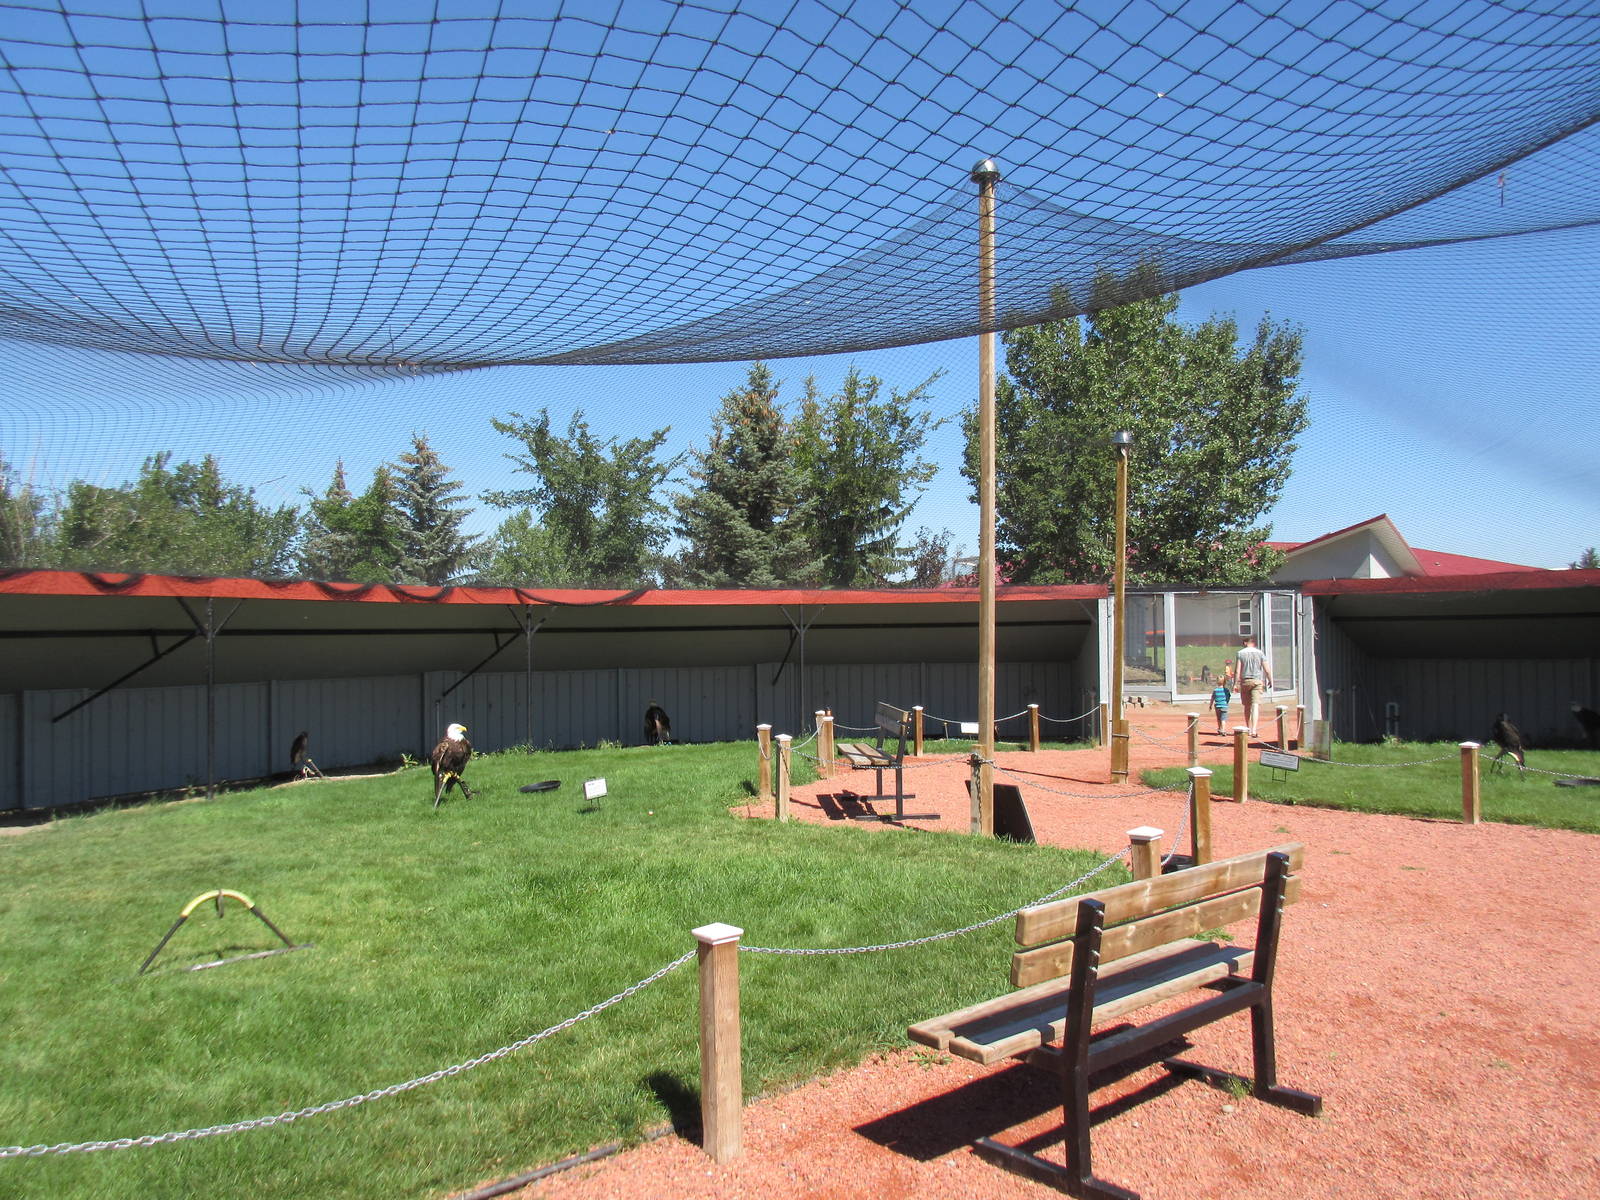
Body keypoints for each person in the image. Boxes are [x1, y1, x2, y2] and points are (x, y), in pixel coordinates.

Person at [1235, 635, 1272, 736]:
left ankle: (1248, 728)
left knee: (1247, 706)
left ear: (1246, 643)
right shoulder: (1260, 653)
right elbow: (1267, 669)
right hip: (1257, 681)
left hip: (1245, 681)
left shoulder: (1240, 653)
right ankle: (1254, 730)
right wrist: (1270, 680)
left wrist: (1235, 683)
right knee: (1255, 705)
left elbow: (1237, 670)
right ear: (1253, 643)